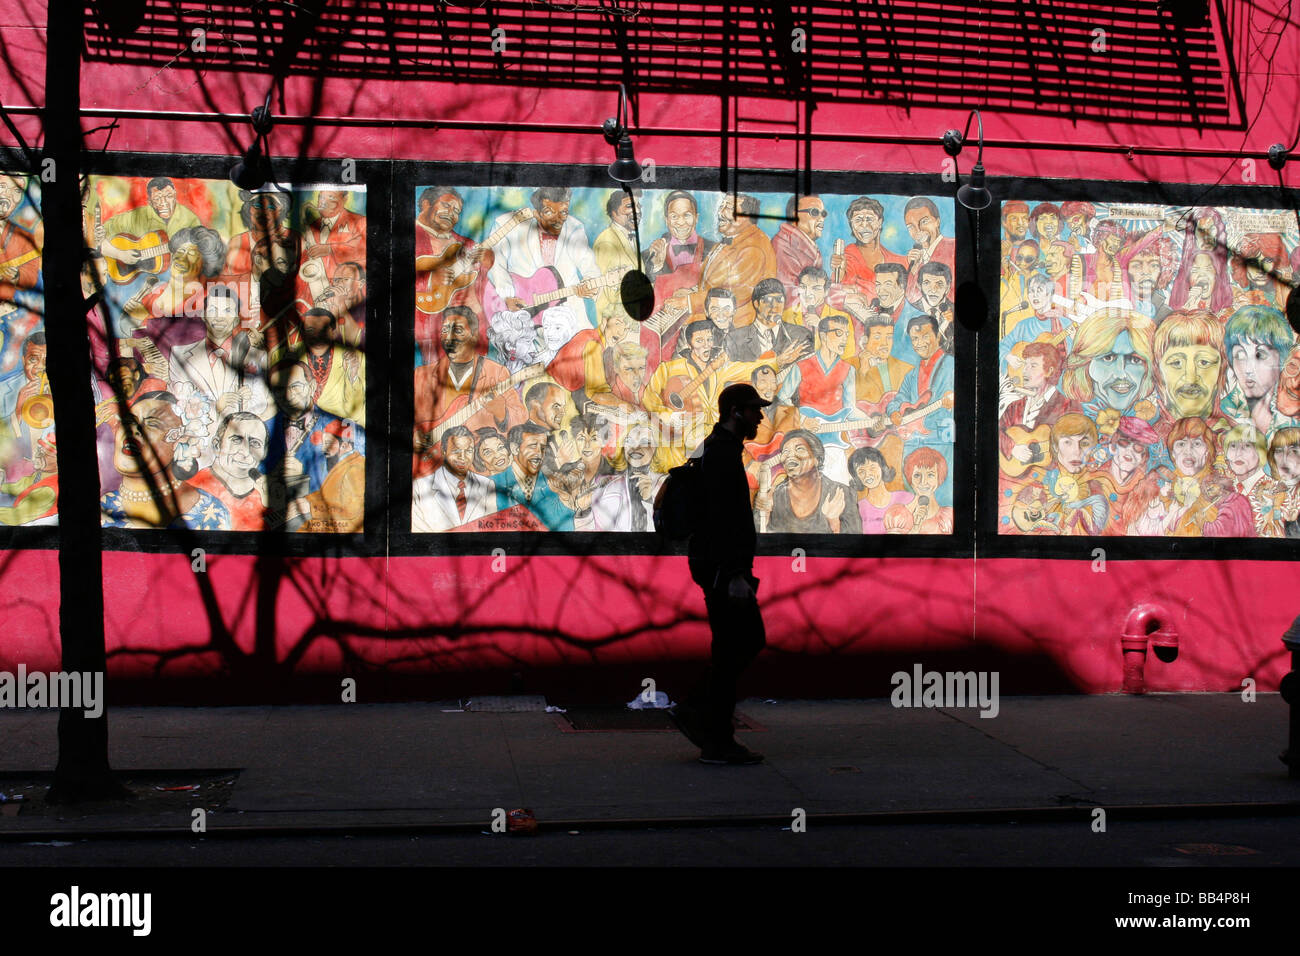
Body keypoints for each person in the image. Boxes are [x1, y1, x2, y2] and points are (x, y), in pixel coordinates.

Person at [670, 382, 770, 765]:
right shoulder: (722, 456)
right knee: (740, 645)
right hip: (722, 571)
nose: (759, 416)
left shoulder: (720, 450)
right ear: (735, 413)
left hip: (718, 568)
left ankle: (704, 722)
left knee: (732, 649)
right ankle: (713, 735)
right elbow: (722, 521)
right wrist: (734, 574)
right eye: (753, 410)